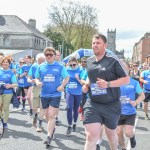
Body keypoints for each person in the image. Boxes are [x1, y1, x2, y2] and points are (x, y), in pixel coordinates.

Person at [82, 33, 130, 150]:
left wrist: (108, 84)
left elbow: (126, 79)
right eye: (93, 43)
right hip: (93, 104)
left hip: (111, 105)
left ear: (105, 45)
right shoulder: (89, 61)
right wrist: (87, 85)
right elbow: (91, 76)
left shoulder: (113, 60)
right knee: (91, 136)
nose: (95, 45)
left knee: (111, 136)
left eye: (98, 43)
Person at [35, 47, 69, 147]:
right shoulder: (41, 66)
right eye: (47, 55)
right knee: (47, 116)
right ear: (45, 56)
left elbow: (67, 77)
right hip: (44, 94)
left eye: (51, 55)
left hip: (55, 94)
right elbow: (36, 77)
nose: (49, 56)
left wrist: (62, 86)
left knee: (52, 115)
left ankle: (48, 136)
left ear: (54, 56)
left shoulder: (60, 66)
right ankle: (52, 128)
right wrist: (38, 82)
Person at [117, 60, 145, 150]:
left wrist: (136, 102)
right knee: (118, 133)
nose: (123, 69)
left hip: (130, 113)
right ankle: (123, 147)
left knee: (128, 133)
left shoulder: (134, 82)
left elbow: (142, 95)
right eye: (121, 68)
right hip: (117, 112)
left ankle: (132, 137)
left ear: (129, 69)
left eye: (125, 67)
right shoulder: (115, 82)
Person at [65, 56, 85, 135]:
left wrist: (78, 79)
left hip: (78, 92)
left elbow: (82, 83)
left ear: (77, 63)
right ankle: (69, 126)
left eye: (74, 65)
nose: (72, 66)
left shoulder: (80, 70)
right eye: (71, 65)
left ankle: (74, 123)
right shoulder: (66, 70)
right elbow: (64, 79)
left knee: (76, 109)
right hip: (69, 91)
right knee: (69, 108)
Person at [27, 53, 45, 132]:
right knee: (35, 107)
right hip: (36, 88)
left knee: (42, 106)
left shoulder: (46, 66)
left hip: (45, 88)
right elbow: (28, 78)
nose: (40, 62)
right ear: (36, 60)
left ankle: (39, 124)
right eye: (39, 60)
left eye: (42, 60)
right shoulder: (34, 66)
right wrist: (31, 80)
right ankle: (35, 115)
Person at [0, 55, 18, 129]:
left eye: (7, 62)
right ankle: (1, 119)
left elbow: (15, 84)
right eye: (3, 62)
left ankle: (5, 122)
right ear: (1, 63)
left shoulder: (11, 73)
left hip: (8, 92)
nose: (5, 63)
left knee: (5, 108)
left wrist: (10, 85)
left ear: (9, 64)